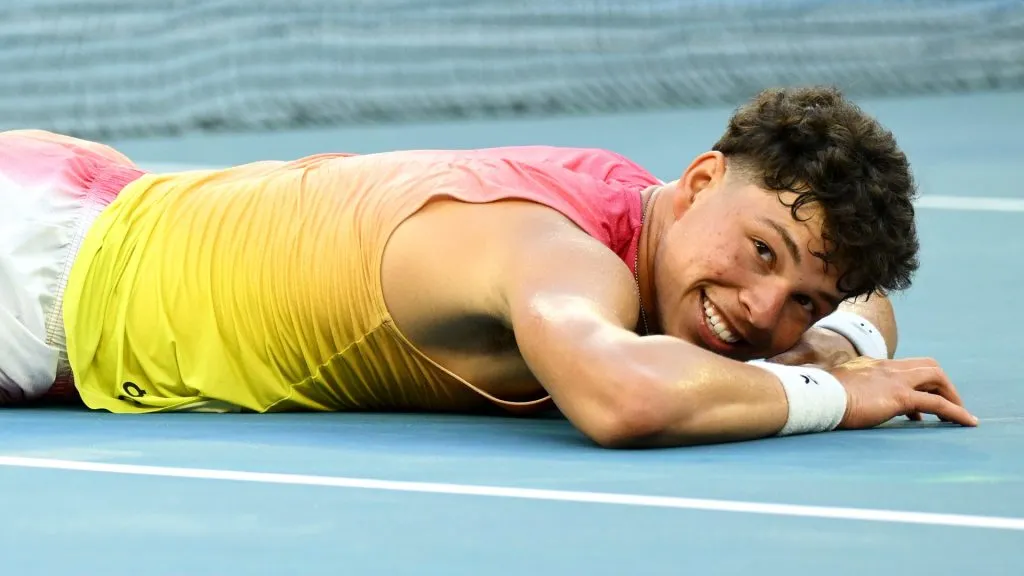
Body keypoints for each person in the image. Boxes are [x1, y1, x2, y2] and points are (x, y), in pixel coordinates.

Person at [0, 86, 977, 447]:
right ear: (700, 177)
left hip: (99, 199)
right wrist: (837, 393)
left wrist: (830, 339)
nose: (761, 305)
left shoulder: (638, 206)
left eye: (798, 295)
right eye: (759, 251)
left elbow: (867, 296)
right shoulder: (558, 254)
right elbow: (625, 397)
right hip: (28, 282)